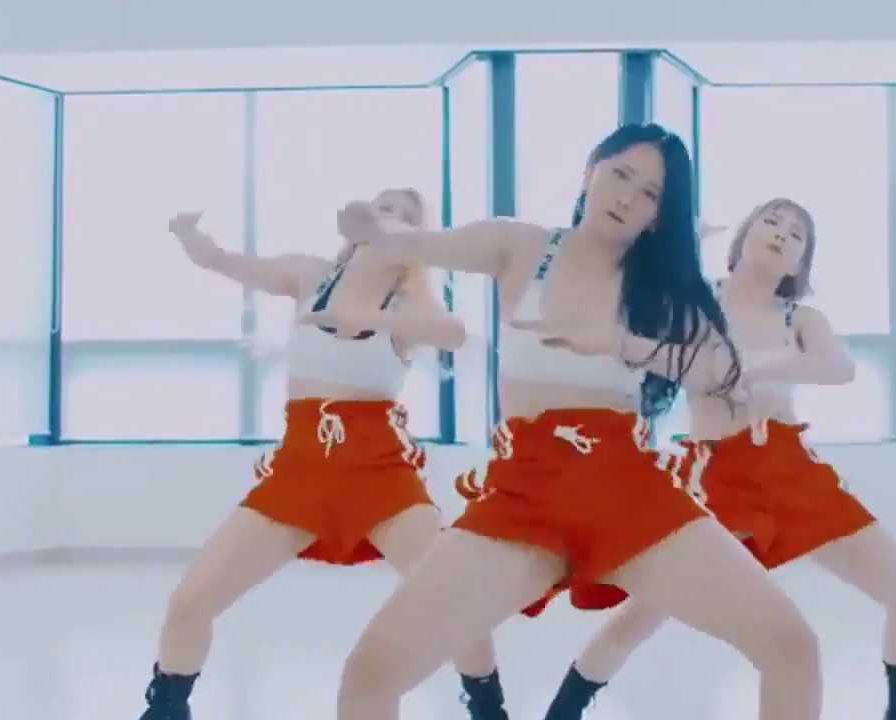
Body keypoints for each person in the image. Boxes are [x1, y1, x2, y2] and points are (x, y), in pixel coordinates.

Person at [333, 124, 824, 720]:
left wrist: (619, 342)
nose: (626, 197)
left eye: (649, 193)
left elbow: (723, 371)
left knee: (792, 646)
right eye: (620, 175)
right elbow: (422, 242)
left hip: (630, 490)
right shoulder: (520, 245)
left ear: (658, 216)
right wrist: (373, 228)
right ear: (592, 170)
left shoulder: (661, 288)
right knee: (372, 671)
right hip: (526, 493)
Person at [540, 198, 896, 720]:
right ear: (743, 236)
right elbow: (632, 320)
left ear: (799, 263)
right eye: (771, 222)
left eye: (796, 235)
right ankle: (562, 712)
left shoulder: (800, 318)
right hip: (715, 482)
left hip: (790, 473)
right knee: (640, 618)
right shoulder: (696, 301)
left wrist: (754, 365)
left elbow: (837, 367)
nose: (781, 234)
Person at [137, 189, 507, 720]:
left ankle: (488, 707)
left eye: (407, 219)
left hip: (380, 474)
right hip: (300, 471)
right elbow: (224, 262)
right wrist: (188, 234)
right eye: (383, 208)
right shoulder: (310, 276)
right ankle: (167, 707)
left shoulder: (409, 301)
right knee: (190, 602)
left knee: (455, 601)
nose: (390, 220)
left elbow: (451, 333)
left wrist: (369, 315)